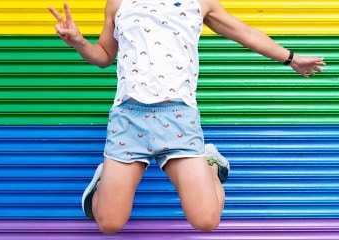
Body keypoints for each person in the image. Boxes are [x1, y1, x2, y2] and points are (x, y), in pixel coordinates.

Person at [48, 0, 325, 234]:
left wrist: (291, 58)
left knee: (206, 220)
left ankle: (211, 165)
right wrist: (79, 42)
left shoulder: (199, 2)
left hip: (179, 117)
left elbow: (245, 33)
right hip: (129, 118)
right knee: (109, 224)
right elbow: (105, 55)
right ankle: (104, 180)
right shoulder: (118, 2)